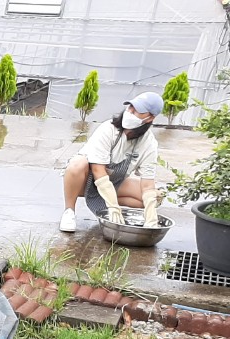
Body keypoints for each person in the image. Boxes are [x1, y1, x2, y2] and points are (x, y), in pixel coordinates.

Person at [59, 91, 163, 233]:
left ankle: (109, 204)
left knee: (154, 197)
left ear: (150, 118)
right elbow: (97, 170)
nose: (130, 113)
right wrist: (113, 205)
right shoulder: (108, 129)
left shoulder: (149, 144)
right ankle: (69, 211)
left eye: (136, 111)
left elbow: (147, 185)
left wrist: (151, 218)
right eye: (130, 108)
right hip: (86, 180)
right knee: (77, 164)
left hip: (114, 182)